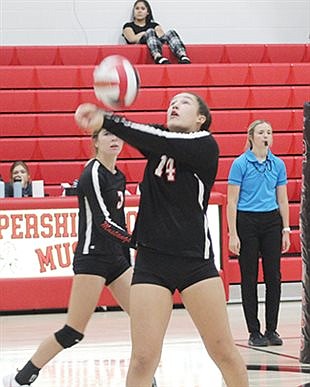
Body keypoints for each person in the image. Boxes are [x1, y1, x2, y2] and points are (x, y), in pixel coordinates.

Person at [74, 93, 249, 387]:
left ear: (200, 119)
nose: (174, 105)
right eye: (171, 102)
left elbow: (152, 137)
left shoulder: (205, 144)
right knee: (143, 359)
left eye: (184, 103)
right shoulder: (159, 139)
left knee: (223, 352)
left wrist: (106, 118)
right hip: (152, 262)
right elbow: (149, 136)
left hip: (195, 261)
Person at [3, 128, 135, 386]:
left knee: (144, 319)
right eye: (107, 134)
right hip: (92, 258)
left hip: (116, 260)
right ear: (95, 142)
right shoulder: (93, 173)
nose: (114, 139)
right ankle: (20, 378)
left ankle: (142, 377)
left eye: (117, 135)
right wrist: (137, 241)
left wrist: (127, 254)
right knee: (73, 332)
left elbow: (118, 220)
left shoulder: (118, 175)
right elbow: (104, 222)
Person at [226, 119, 291, 348]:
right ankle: (254, 331)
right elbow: (231, 201)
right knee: (249, 277)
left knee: (273, 276)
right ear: (251, 137)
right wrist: (233, 234)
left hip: (271, 221)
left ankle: (271, 329)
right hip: (247, 221)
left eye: (269, 132)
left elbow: (282, 198)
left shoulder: (278, 164)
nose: (266, 136)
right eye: (261, 132)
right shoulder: (240, 164)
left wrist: (286, 228)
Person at [122, 0, 191, 65]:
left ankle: (182, 55)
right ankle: (157, 56)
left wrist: (146, 34)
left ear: (147, 12)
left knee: (171, 32)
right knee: (150, 31)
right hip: (140, 48)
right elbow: (132, 39)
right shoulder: (128, 25)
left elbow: (161, 37)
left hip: (154, 42)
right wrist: (146, 33)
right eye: (137, 8)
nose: (139, 11)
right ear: (133, 12)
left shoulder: (154, 25)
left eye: (142, 9)